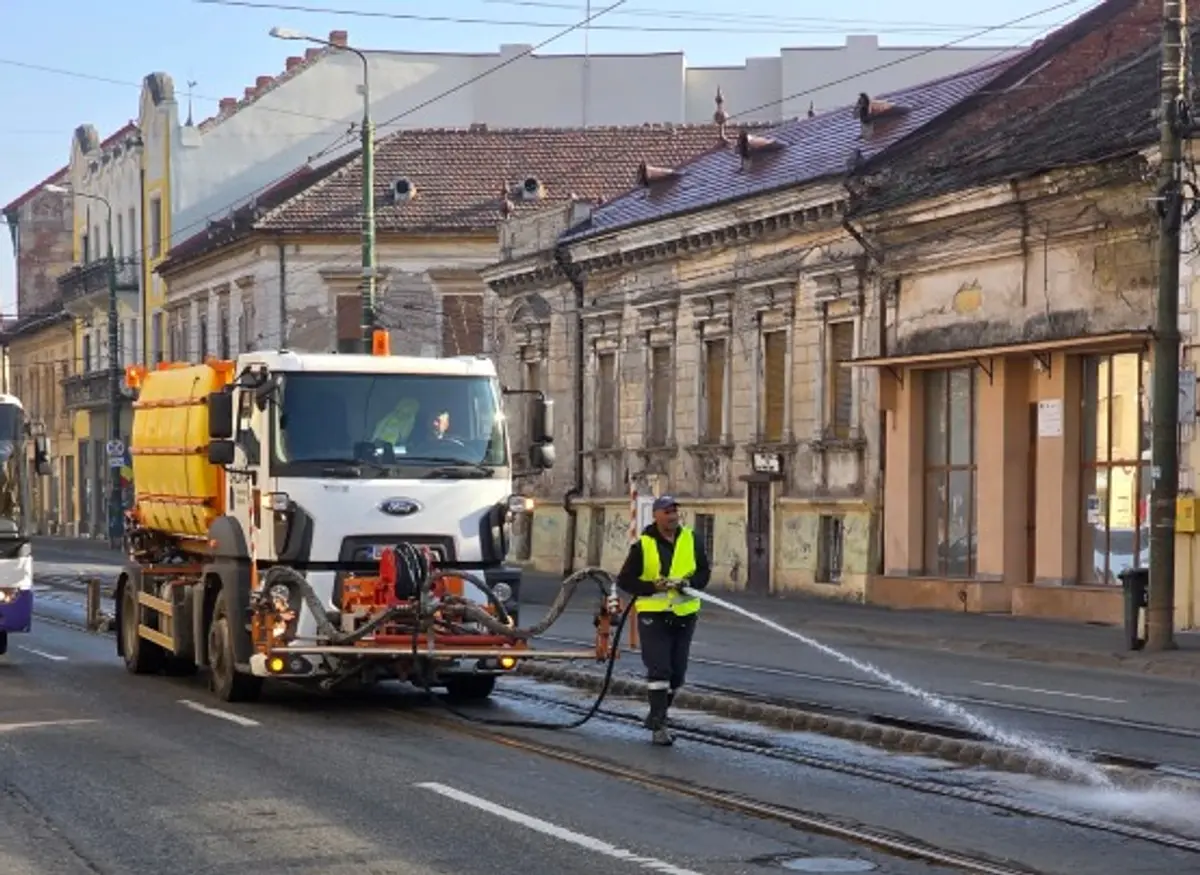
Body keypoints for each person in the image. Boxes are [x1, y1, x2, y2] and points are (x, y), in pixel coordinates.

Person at [615, 494, 711, 746]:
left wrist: (689, 584)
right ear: (656, 515)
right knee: (660, 669)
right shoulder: (643, 545)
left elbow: (704, 571)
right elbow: (625, 580)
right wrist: (651, 586)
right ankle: (659, 724)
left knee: (677, 675)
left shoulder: (692, 539)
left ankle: (658, 714)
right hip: (653, 615)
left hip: (684, 613)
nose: (672, 516)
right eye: (667, 512)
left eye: (674, 512)